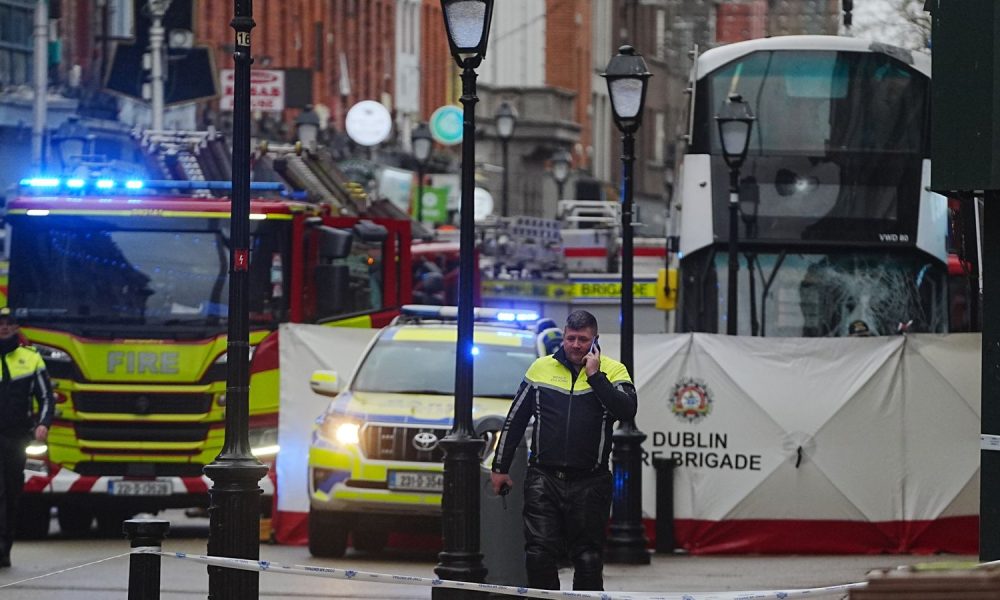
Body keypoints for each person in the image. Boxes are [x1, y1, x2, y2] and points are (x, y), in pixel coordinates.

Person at [490, 309, 637, 591]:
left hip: (590, 481)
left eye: (583, 339)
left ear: (595, 341)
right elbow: (515, 420)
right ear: (563, 337)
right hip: (544, 478)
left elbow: (627, 410)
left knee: (588, 559)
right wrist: (500, 467)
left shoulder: (614, 370)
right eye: (571, 338)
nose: (576, 345)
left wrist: (596, 377)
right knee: (539, 554)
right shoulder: (540, 368)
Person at [0, 307, 55, 567]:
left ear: (16, 327)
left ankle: (4, 548)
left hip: (16, 437)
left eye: (9, 323)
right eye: (0, 323)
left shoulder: (31, 358)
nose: (4, 327)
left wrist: (43, 424)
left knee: (11, 493)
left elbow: (46, 397)